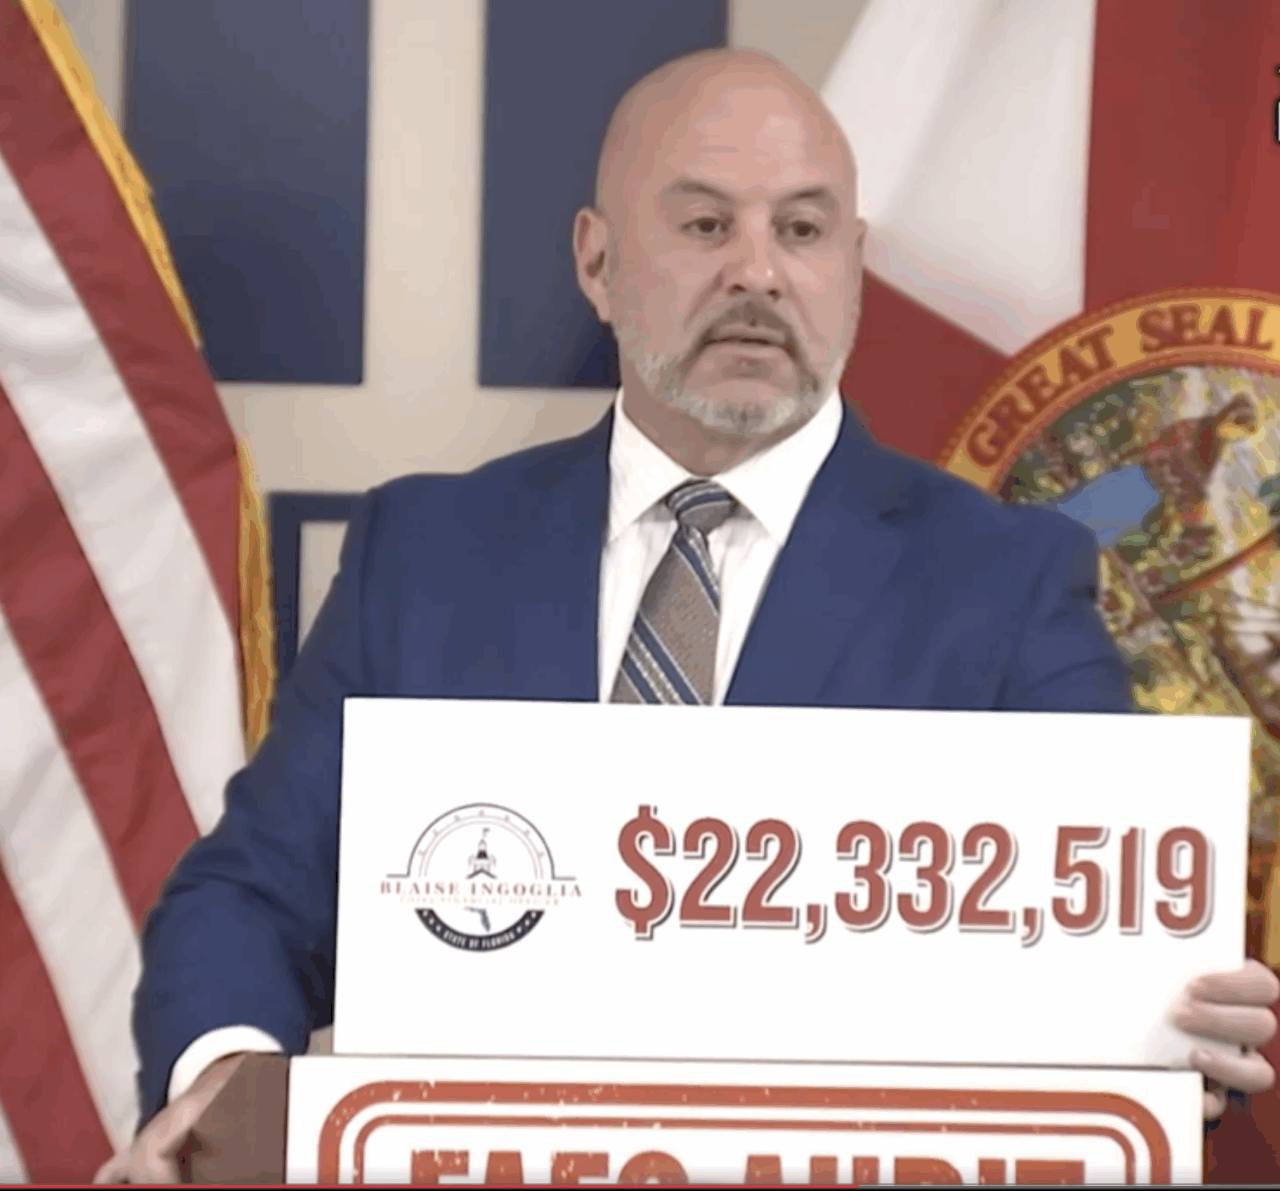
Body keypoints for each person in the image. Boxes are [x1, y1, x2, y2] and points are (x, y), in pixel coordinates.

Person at [96, 47, 1279, 1183]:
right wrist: (226, 1096)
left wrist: (1168, 1021)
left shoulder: (1008, 582)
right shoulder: (424, 554)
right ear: (597, 262)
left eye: (801, 231)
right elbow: (252, 895)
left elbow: (1104, 959)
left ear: (850, 268)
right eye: (706, 225)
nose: (757, 274)